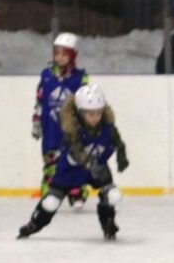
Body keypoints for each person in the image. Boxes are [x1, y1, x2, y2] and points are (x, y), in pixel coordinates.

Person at [16, 83, 129, 242]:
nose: (95, 117)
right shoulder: (72, 129)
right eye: (90, 114)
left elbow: (117, 140)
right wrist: (90, 164)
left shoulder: (107, 126)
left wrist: (121, 154)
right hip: (70, 169)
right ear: (80, 113)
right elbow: (76, 151)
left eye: (98, 113)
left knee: (112, 195)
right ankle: (35, 223)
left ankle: (108, 222)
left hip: (97, 167)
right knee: (51, 202)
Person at [32, 33, 90, 205]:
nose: (60, 57)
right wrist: (36, 121)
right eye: (57, 53)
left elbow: (85, 102)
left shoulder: (80, 77)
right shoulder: (46, 76)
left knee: (74, 160)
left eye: (65, 54)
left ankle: (76, 192)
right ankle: (51, 192)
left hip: (71, 128)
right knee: (51, 160)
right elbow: (40, 99)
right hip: (50, 127)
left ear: (73, 55)